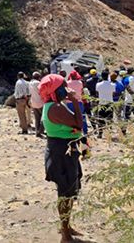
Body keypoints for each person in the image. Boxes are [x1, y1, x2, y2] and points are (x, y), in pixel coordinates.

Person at [38, 74, 84, 243]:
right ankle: (65, 233)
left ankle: (66, 227)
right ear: (55, 90)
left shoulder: (54, 105)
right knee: (65, 193)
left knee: (69, 190)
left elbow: (73, 126)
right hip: (61, 153)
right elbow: (79, 124)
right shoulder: (56, 108)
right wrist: (75, 102)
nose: (66, 89)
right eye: (63, 87)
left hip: (63, 150)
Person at [94, 70, 114, 138]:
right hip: (110, 103)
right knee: (109, 119)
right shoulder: (112, 85)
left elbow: (97, 93)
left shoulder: (98, 84)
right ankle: (109, 134)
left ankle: (100, 134)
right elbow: (113, 93)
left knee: (100, 120)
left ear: (102, 76)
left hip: (101, 103)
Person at [29, 72, 44, 138]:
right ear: (38, 77)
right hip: (40, 102)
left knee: (37, 118)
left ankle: (37, 132)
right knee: (43, 118)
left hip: (34, 102)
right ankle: (40, 131)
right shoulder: (38, 83)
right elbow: (42, 92)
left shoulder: (30, 83)